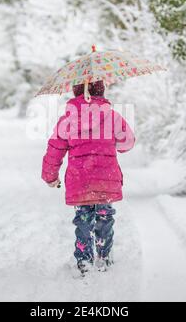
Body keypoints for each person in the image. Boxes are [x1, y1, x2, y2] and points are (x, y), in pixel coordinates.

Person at [41, 80, 135, 275]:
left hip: (79, 179)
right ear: (101, 91)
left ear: (76, 93)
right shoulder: (112, 116)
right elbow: (127, 142)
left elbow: (55, 149)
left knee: (83, 218)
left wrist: (50, 176)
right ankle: (104, 254)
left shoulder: (67, 120)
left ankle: (84, 260)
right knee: (105, 215)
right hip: (106, 177)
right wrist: (109, 143)